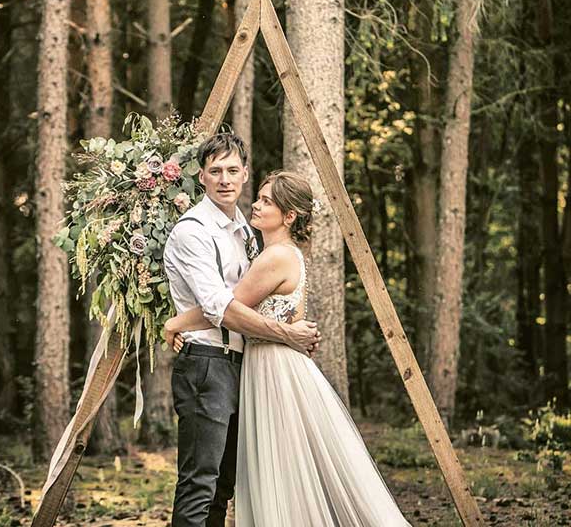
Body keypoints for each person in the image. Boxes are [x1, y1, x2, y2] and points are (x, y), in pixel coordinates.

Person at [165, 170, 412, 526]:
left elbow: (225, 309)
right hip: (277, 363)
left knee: (276, 470)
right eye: (260, 197)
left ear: (290, 215)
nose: (256, 204)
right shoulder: (287, 254)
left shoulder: (274, 257)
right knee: (284, 468)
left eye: (267, 201)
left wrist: (176, 323)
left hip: (271, 369)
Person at [163, 134, 320, 527]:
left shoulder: (247, 233)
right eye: (215, 171)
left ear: (245, 174)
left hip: (243, 366)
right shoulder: (193, 231)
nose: (225, 179)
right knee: (200, 483)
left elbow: (249, 298)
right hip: (206, 365)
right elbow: (224, 309)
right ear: (201, 177)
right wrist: (287, 334)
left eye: (232, 170)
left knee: (224, 486)